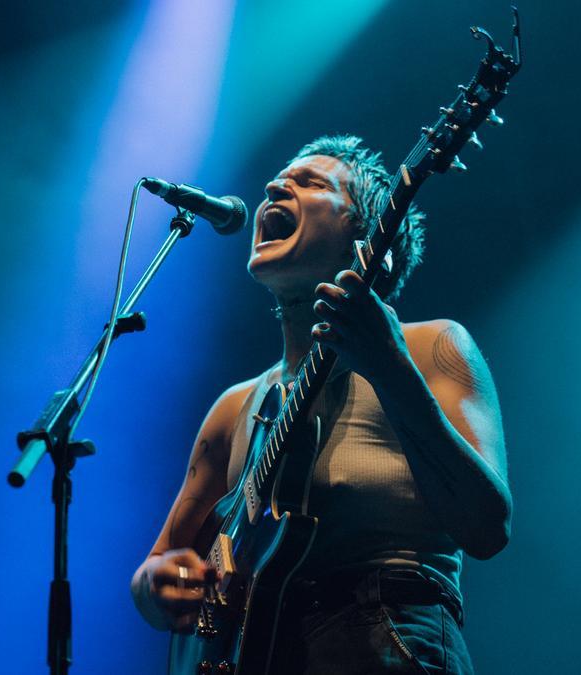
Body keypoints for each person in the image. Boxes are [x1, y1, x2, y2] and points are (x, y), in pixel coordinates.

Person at [131, 135, 510, 673]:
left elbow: (488, 527)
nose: (273, 186)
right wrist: (157, 586)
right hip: (260, 652)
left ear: (365, 239)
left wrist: (389, 369)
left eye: (310, 182)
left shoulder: (433, 346)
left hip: (388, 639)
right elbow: (160, 562)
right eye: (280, 179)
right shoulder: (234, 407)